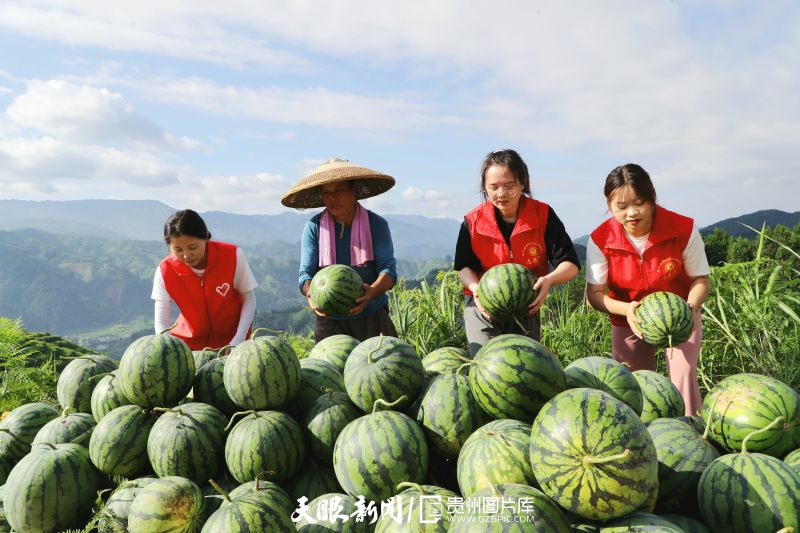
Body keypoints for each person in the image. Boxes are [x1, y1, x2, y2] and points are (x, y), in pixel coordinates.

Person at [585, 163, 711, 416]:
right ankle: (641, 438)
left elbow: (700, 280)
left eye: (639, 203)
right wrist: (627, 309)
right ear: (609, 205)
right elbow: (594, 295)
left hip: (680, 314)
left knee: (683, 378)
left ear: (652, 197)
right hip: (627, 317)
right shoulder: (601, 239)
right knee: (633, 385)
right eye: (621, 207)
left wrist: (688, 309)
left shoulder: (682, 228)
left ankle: (691, 433)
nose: (631, 213)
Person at [454, 149, 580, 356]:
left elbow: (570, 264)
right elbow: (463, 267)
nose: (501, 193)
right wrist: (476, 288)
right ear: (485, 188)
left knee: (525, 366)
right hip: (482, 305)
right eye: (493, 187)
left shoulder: (543, 215)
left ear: (523, 183)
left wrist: (548, 280)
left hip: (526, 304)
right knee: (488, 364)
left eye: (509, 186)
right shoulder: (472, 221)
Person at [281, 158, 398, 342]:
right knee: (332, 369)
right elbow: (305, 274)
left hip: (372, 316)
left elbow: (389, 271)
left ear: (354, 191)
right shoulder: (314, 227)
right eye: (326, 193)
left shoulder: (376, 224)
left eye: (338, 191)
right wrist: (311, 294)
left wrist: (371, 292)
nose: (332, 198)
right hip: (330, 320)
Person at [151, 209, 258, 350]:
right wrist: (168, 349)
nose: (186, 255)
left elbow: (248, 299)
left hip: (230, 345)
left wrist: (237, 341)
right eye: (178, 250)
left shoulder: (232, 256)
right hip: (188, 347)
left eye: (192, 247)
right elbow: (162, 315)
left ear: (206, 236)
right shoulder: (165, 270)